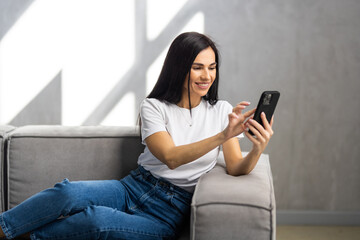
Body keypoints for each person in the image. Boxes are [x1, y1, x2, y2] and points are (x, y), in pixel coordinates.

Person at [0, 32, 274, 240]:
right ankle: (3, 228)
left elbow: (237, 167)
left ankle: (25, 237)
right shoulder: (153, 106)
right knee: (68, 192)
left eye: (212, 67)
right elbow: (170, 157)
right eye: (198, 67)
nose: (207, 76)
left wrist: (257, 148)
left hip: (170, 211)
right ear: (179, 68)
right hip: (134, 187)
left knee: (96, 221)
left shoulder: (222, 111)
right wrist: (223, 134)